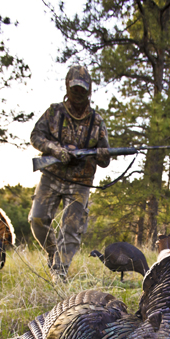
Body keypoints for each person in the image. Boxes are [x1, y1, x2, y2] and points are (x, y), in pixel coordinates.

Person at [29, 64, 110, 281]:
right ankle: (53, 251)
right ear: (67, 86)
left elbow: (105, 160)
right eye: (75, 88)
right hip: (52, 176)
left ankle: (60, 273)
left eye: (83, 89)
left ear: (89, 90)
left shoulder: (97, 121)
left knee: (72, 227)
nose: (78, 93)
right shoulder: (54, 112)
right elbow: (35, 136)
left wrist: (101, 154)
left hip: (81, 181)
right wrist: (54, 149)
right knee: (37, 219)